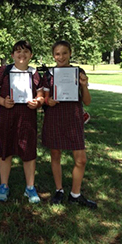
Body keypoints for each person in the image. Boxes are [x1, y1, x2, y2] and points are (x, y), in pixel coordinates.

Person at [42, 40, 97, 209]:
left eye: (64, 53)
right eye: (57, 54)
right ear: (53, 55)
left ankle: (75, 194)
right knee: (56, 155)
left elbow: (87, 102)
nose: (61, 57)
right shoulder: (49, 74)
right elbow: (44, 98)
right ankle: (59, 190)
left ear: (70, 53)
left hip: (73, 118)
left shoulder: (78, 72)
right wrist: (48, 101)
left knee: (81, 160)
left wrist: (84, 85)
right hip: (54, 117)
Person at [0, 40, 44, 203]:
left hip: (27, 118)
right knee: (5, 152)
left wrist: (37, 102)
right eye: (18, 51)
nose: (22, 54)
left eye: (26, 51)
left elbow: (40, 95)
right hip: (8, 117)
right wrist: (2, 101)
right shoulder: (4, 71)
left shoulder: (34, 73)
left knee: (29, 152)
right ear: (12, 55)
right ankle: (4, 185)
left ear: (31, 55)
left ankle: (30, 188)